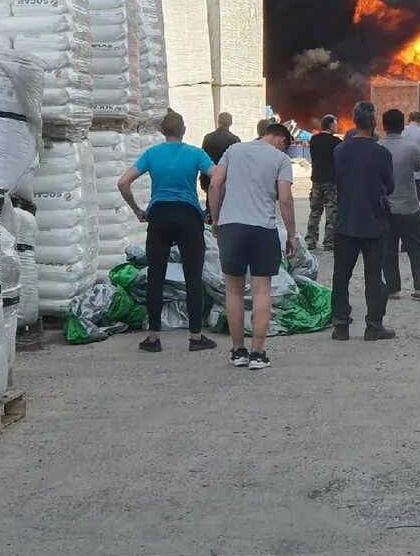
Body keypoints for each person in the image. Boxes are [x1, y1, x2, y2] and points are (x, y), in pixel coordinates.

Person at [116, 111, 216, 354]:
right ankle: (195, 336)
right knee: (193, 277)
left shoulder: (151, 154)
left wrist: (138, 210)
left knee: (156, 278)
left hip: (159, 216)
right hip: (189, 217)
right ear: (184, 130)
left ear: (162, 130)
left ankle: (153, 338)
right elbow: (217, 178)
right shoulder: (196, 154)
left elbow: (122, 182)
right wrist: (210, 210)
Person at [207, 121, 297, 370]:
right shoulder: (280, 159)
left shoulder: (233, 151)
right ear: (281, 139)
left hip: (232, 227)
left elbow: (215, 184)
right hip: (263, 229)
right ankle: (258, 354)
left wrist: (216, 220)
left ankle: (238, 351)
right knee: (261, 290)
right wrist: (291, 234)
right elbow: (286, 199)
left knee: (233, 291)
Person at [330, 101, 396, 341]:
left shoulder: (339, 151)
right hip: (373, 223)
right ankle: (374, 325)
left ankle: (340, 325)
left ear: (354, 120)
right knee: (373, 276)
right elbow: (390, 186)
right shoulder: (381, 153)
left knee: (341, 276)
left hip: (345, 222)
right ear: (374, 121)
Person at [380, 108, 420, 300]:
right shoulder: (412, 148)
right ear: (402, 125)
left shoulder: (378, 148)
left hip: (386, 208)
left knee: (388, 249)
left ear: (384, 126)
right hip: (410, 207)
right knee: (417, 247)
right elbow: (419, 167)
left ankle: (393, 289)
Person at [306, 115, 341, 251]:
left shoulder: (314, 140)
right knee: (332, 212)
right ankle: (329, 241)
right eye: (335, 124)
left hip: (316, 180)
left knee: (315, 211)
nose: (337, 126)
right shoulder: (336, 142)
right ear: (330, 126)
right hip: (331, 182)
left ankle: (310, 240)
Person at [200, 113, 240, 194]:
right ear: (231, 123)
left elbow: (204, 159)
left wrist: (203, 182)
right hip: (227, 181)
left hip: (210, 179)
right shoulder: (235, 140)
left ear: (218, 121)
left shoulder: (208, 138)